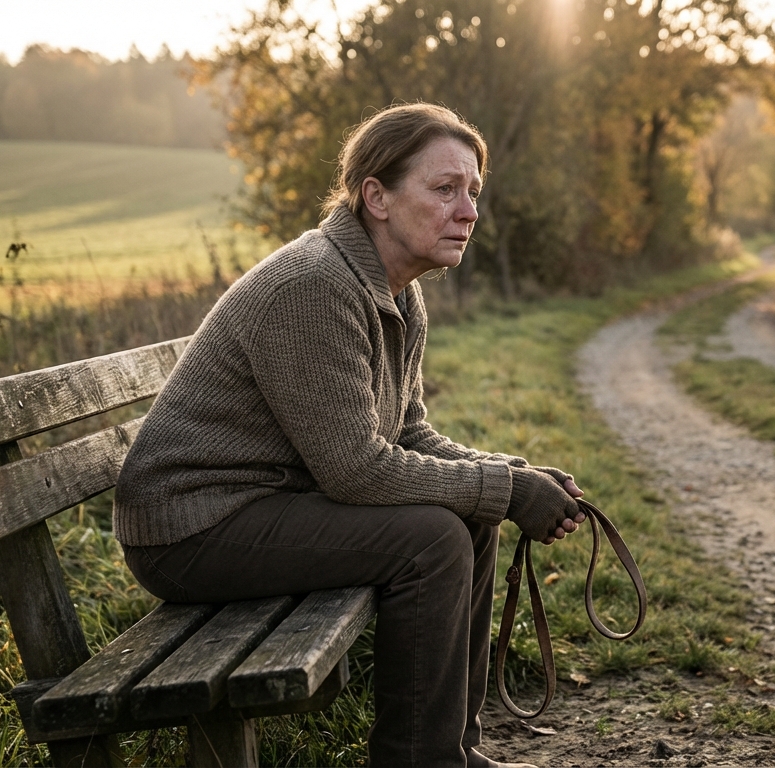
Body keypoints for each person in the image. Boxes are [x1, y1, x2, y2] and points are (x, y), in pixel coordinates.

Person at [113, 102, 584, 768]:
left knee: (469, 518)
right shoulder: (314, 285)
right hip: (191, 528)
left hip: (261, 505)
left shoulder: (395, 289)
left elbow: (408, 432)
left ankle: (454, 750)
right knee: (432, 539)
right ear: (377, 197)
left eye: (473, 192)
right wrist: (507, 490)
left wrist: (512, 475)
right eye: (445, 189)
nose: (469, 211)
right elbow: (356, 470)